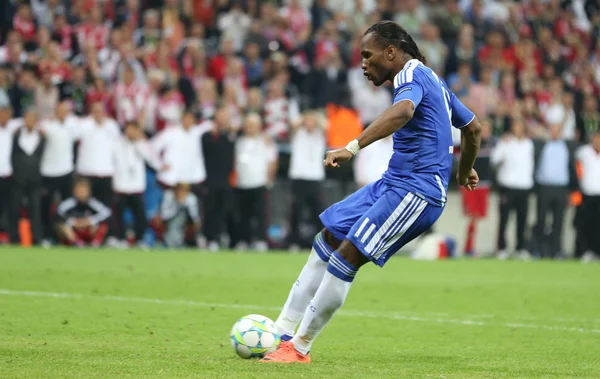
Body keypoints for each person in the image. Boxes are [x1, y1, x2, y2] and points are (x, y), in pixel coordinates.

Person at [261, 21, 481, 364]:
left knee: (347, 253)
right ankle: (281, 330)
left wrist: (352, 146)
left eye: (368, 55)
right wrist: (464, 169)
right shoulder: (434, 80)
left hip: (416, 192)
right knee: (328, 239)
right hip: (393, 182)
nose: (363, 63)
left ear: (390, 52)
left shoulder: (411, 75)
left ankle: (298, 347)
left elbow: (405, 110)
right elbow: (473, 127)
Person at [55, 177, 112, 247]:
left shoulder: (93, 203)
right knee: (62, 226)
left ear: (89, 192)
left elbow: (107, 213)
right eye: (79, 191)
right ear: (74, 191)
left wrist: (91, 221)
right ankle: (77, 243)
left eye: (83, 191)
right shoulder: (69, 203)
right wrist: (72, 222)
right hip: (74, 231)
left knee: (103, 226)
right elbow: (58, 213)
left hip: (88, 230)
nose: (81, 193)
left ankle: (95, 243)